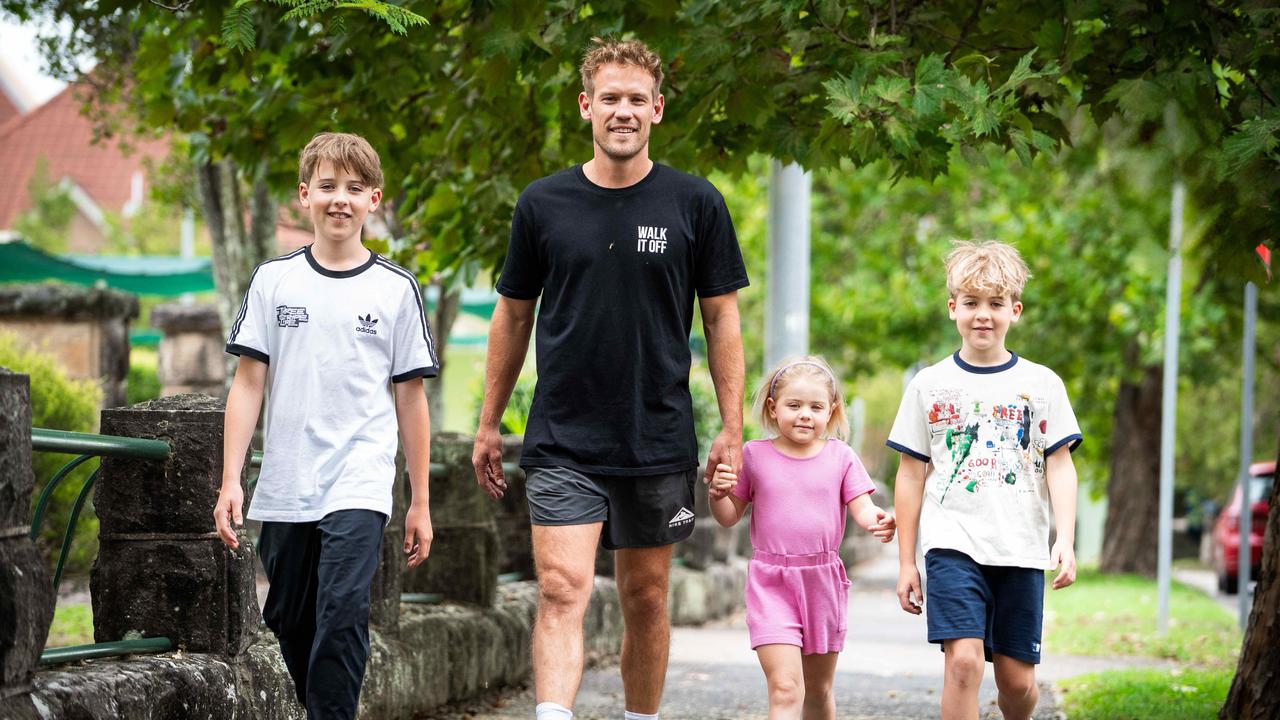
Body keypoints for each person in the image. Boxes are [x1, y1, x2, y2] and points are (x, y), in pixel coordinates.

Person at [471, 37, 749, 720]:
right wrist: (487, 420)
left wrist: (734, 432)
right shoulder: (543, 203)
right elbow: (512, 316)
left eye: (635, 100)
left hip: (657, 436)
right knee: (562, 588)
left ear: (656, 109)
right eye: (609, 99)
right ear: (585, 106)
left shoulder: (696, 203)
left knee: (646, 595)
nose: (621, 111)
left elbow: (721, 322)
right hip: (564, 434)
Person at [212, 132, 438, 720]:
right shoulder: (273, 281)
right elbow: (248, 383)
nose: (342, 199)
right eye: (330, 186)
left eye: (355, 189)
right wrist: (231, 479)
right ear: (305, 193)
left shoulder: (396, 290)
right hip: (286, 482)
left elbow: (411, 398)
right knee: (289, 620)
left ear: (375, 200)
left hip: (360, 478)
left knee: (342, 613)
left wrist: (420, 500)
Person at [887, 240, 1081, 720]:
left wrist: (1067, 539)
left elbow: (1060, 464)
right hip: (952, 543)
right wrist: (907, 562)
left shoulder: (1043, 384)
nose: (983, 315)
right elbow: (910, 476)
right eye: (971, 303)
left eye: (995, 304)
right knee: (965, 663)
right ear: (952, 308)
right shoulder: (928, 385)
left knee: (1016, 684)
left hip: (1020, 547)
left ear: (1015, 310)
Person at [707, 356, 896, 720]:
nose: (804, 414)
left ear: (832, 411)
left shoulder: (841, 457)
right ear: (773, 408)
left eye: (815, 406)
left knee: (819, 691)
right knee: (785, 688)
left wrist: (879, 520)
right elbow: (729, 517)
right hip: (771, 583)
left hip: (822, 583)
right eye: (794, 406)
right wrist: (718, 494)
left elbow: (863, 507)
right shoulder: (754, 455)